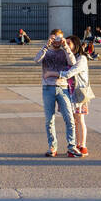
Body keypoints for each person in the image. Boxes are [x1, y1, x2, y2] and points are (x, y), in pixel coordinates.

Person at [34, 29, 80, 158]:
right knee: (49, 120)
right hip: (47, 88)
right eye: (54, 39)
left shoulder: (65, 51)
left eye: (59, 39)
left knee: (69, 119)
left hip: (63, 87)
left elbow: (73, 63)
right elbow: (36, 59)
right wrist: (46, 45)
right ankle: (52, 147)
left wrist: (66, 46)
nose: (57, 42)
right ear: (50, 38)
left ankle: (71, 147)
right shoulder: (46, 50)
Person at [64, 36, 93, 157]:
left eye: (68, 43)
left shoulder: (82, 58)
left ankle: (83, 145)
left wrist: (57, 74)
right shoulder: (71, 57)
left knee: (80, 120)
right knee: (74, 121)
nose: (66, 45)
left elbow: (72, 71)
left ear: (75, 44)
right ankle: (76, 144)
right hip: (70, 92)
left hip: (78, 93)